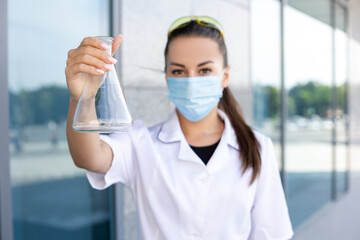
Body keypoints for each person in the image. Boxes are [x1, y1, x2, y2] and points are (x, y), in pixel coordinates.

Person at [65, 16, 294, 239]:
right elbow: (89, 157)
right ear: (167, 78)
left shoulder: (258, 147)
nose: (191, 80)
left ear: (225, 76)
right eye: (178, 71)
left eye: (204, 70)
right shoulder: (141, 143)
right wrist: (83, 97)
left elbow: (271, 233)